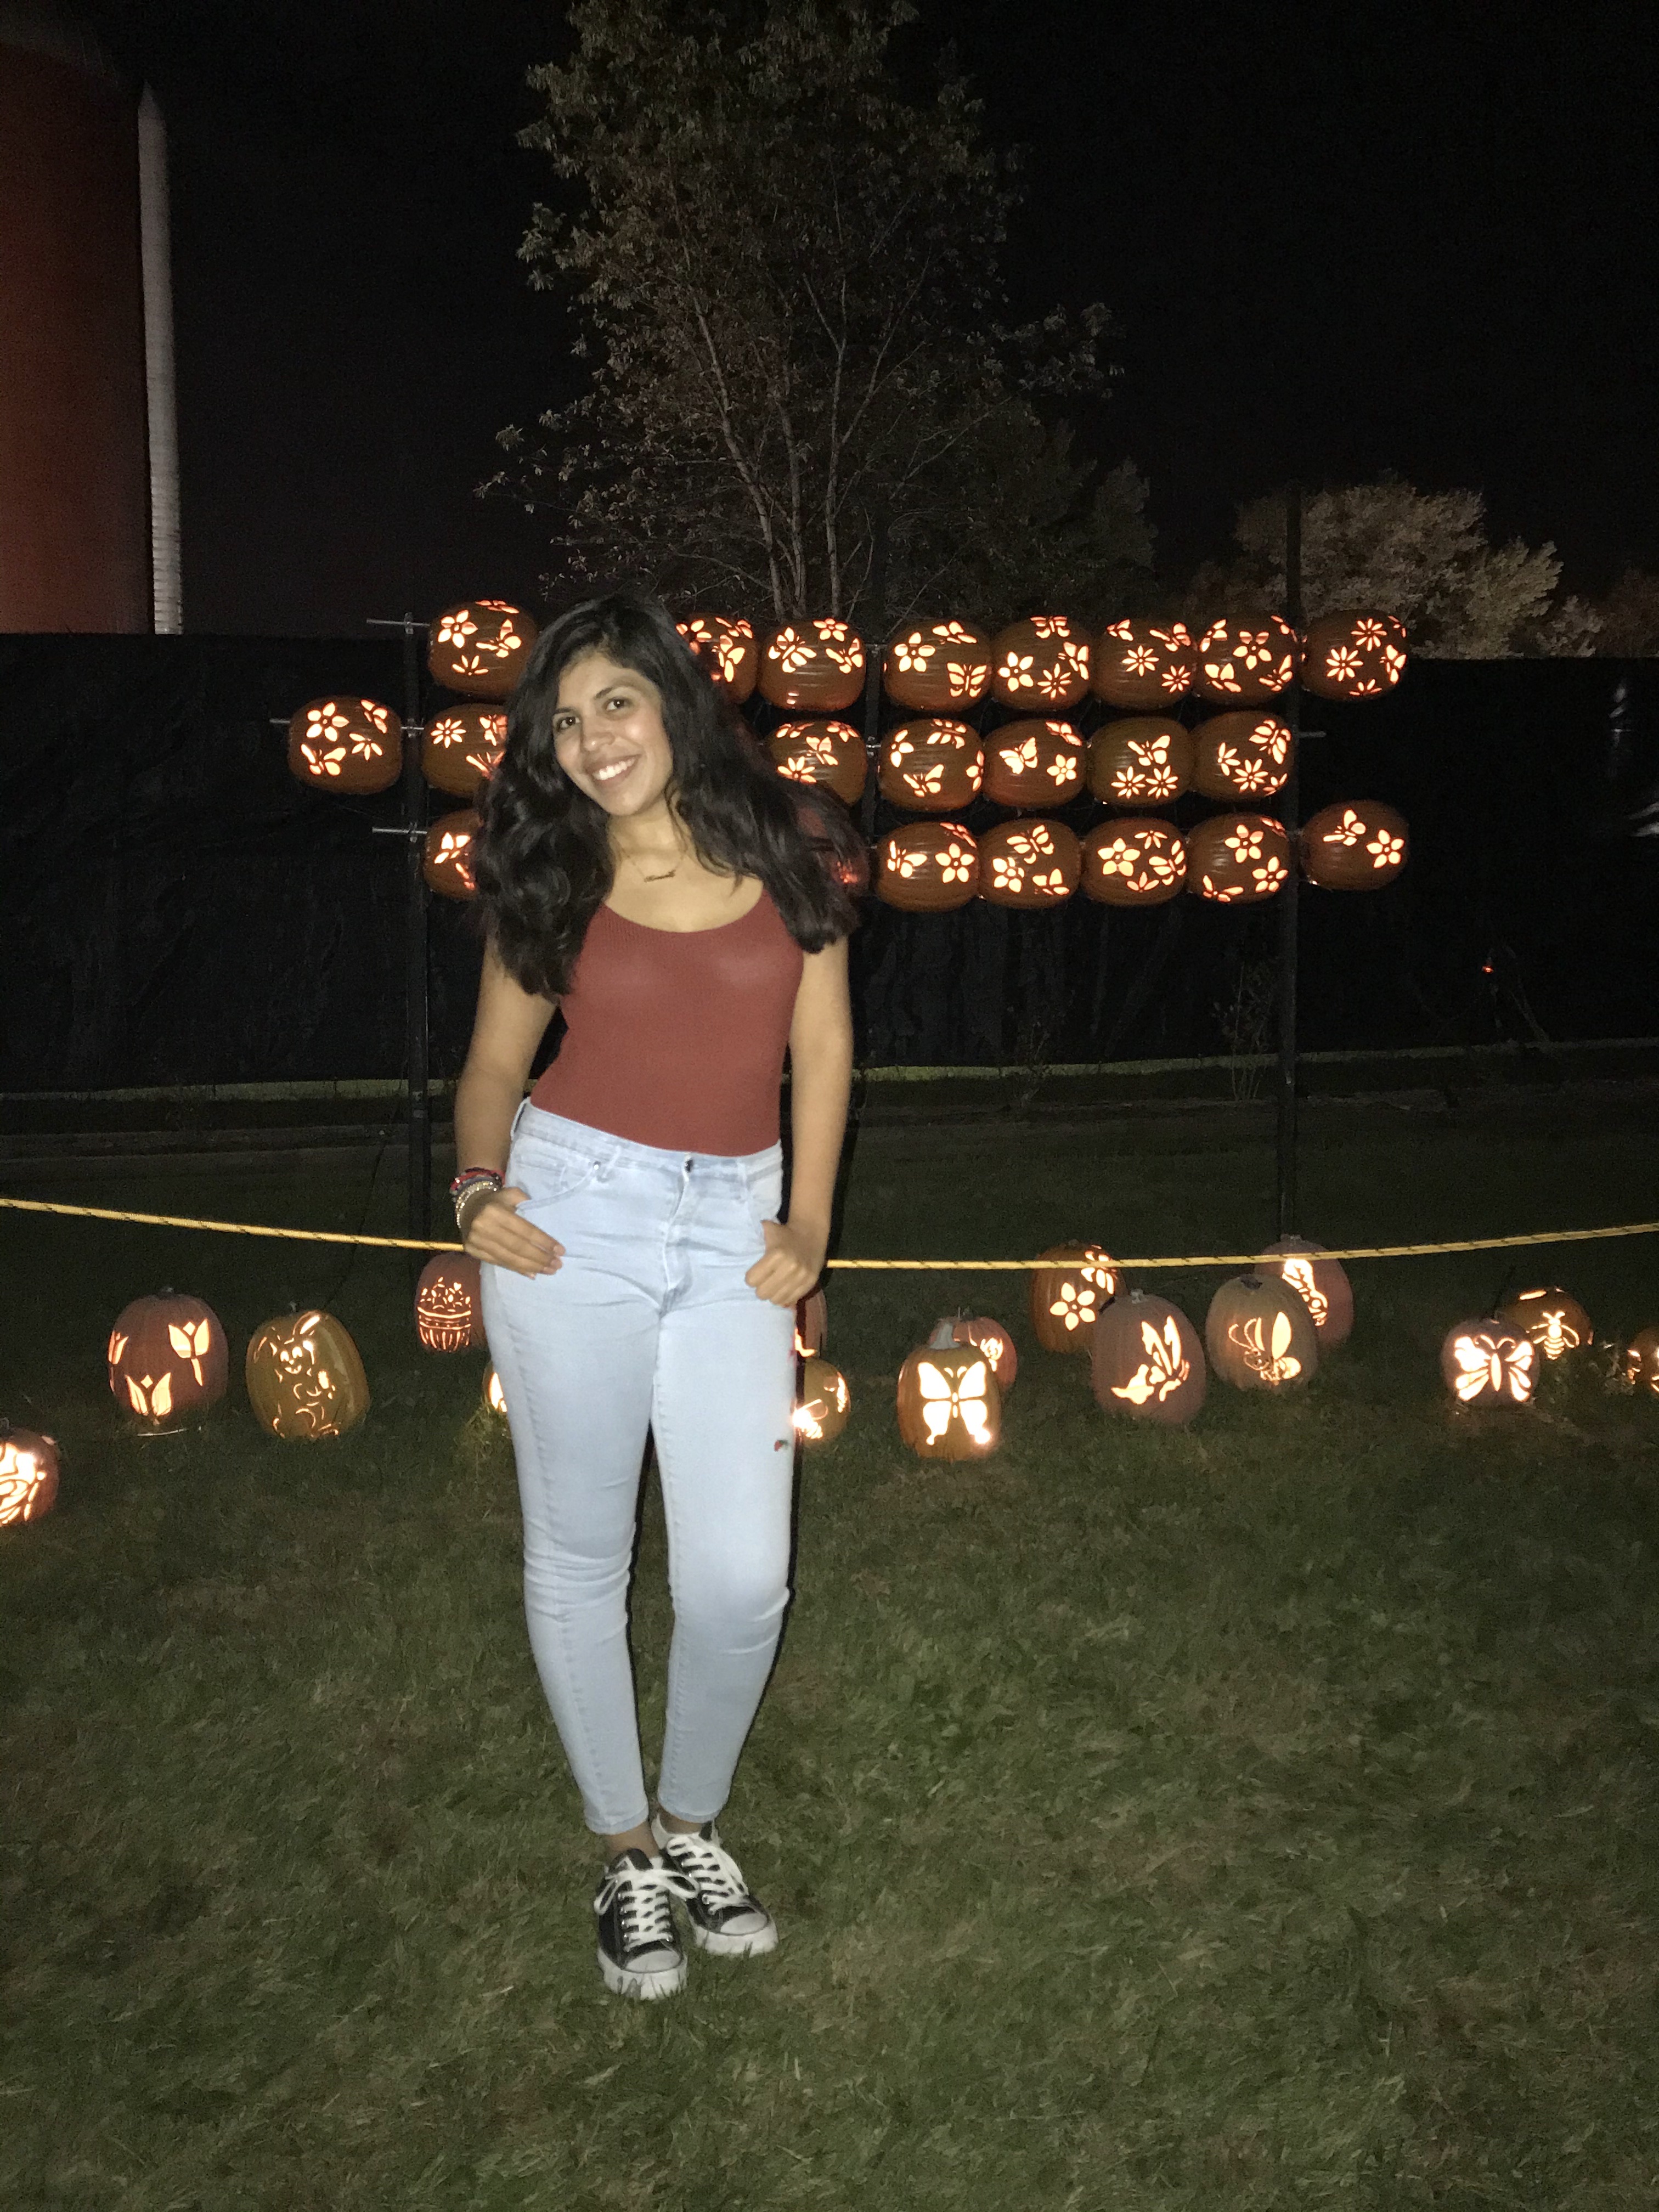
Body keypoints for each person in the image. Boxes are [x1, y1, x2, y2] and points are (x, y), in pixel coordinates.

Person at [452, 583, 862, 2001]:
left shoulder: (791, 842)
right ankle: (627, 1846)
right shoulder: (553, 876)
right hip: (573, 1219)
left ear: (673, 701)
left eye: (615, 701)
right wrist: (476, 1192)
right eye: (564, 723)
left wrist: (811, 1224)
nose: (593, 740)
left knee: (742, 1579)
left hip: (739, 1228)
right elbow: (493, 1067)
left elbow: (824, 1041)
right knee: (579, 1553)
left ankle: (693, 1820)